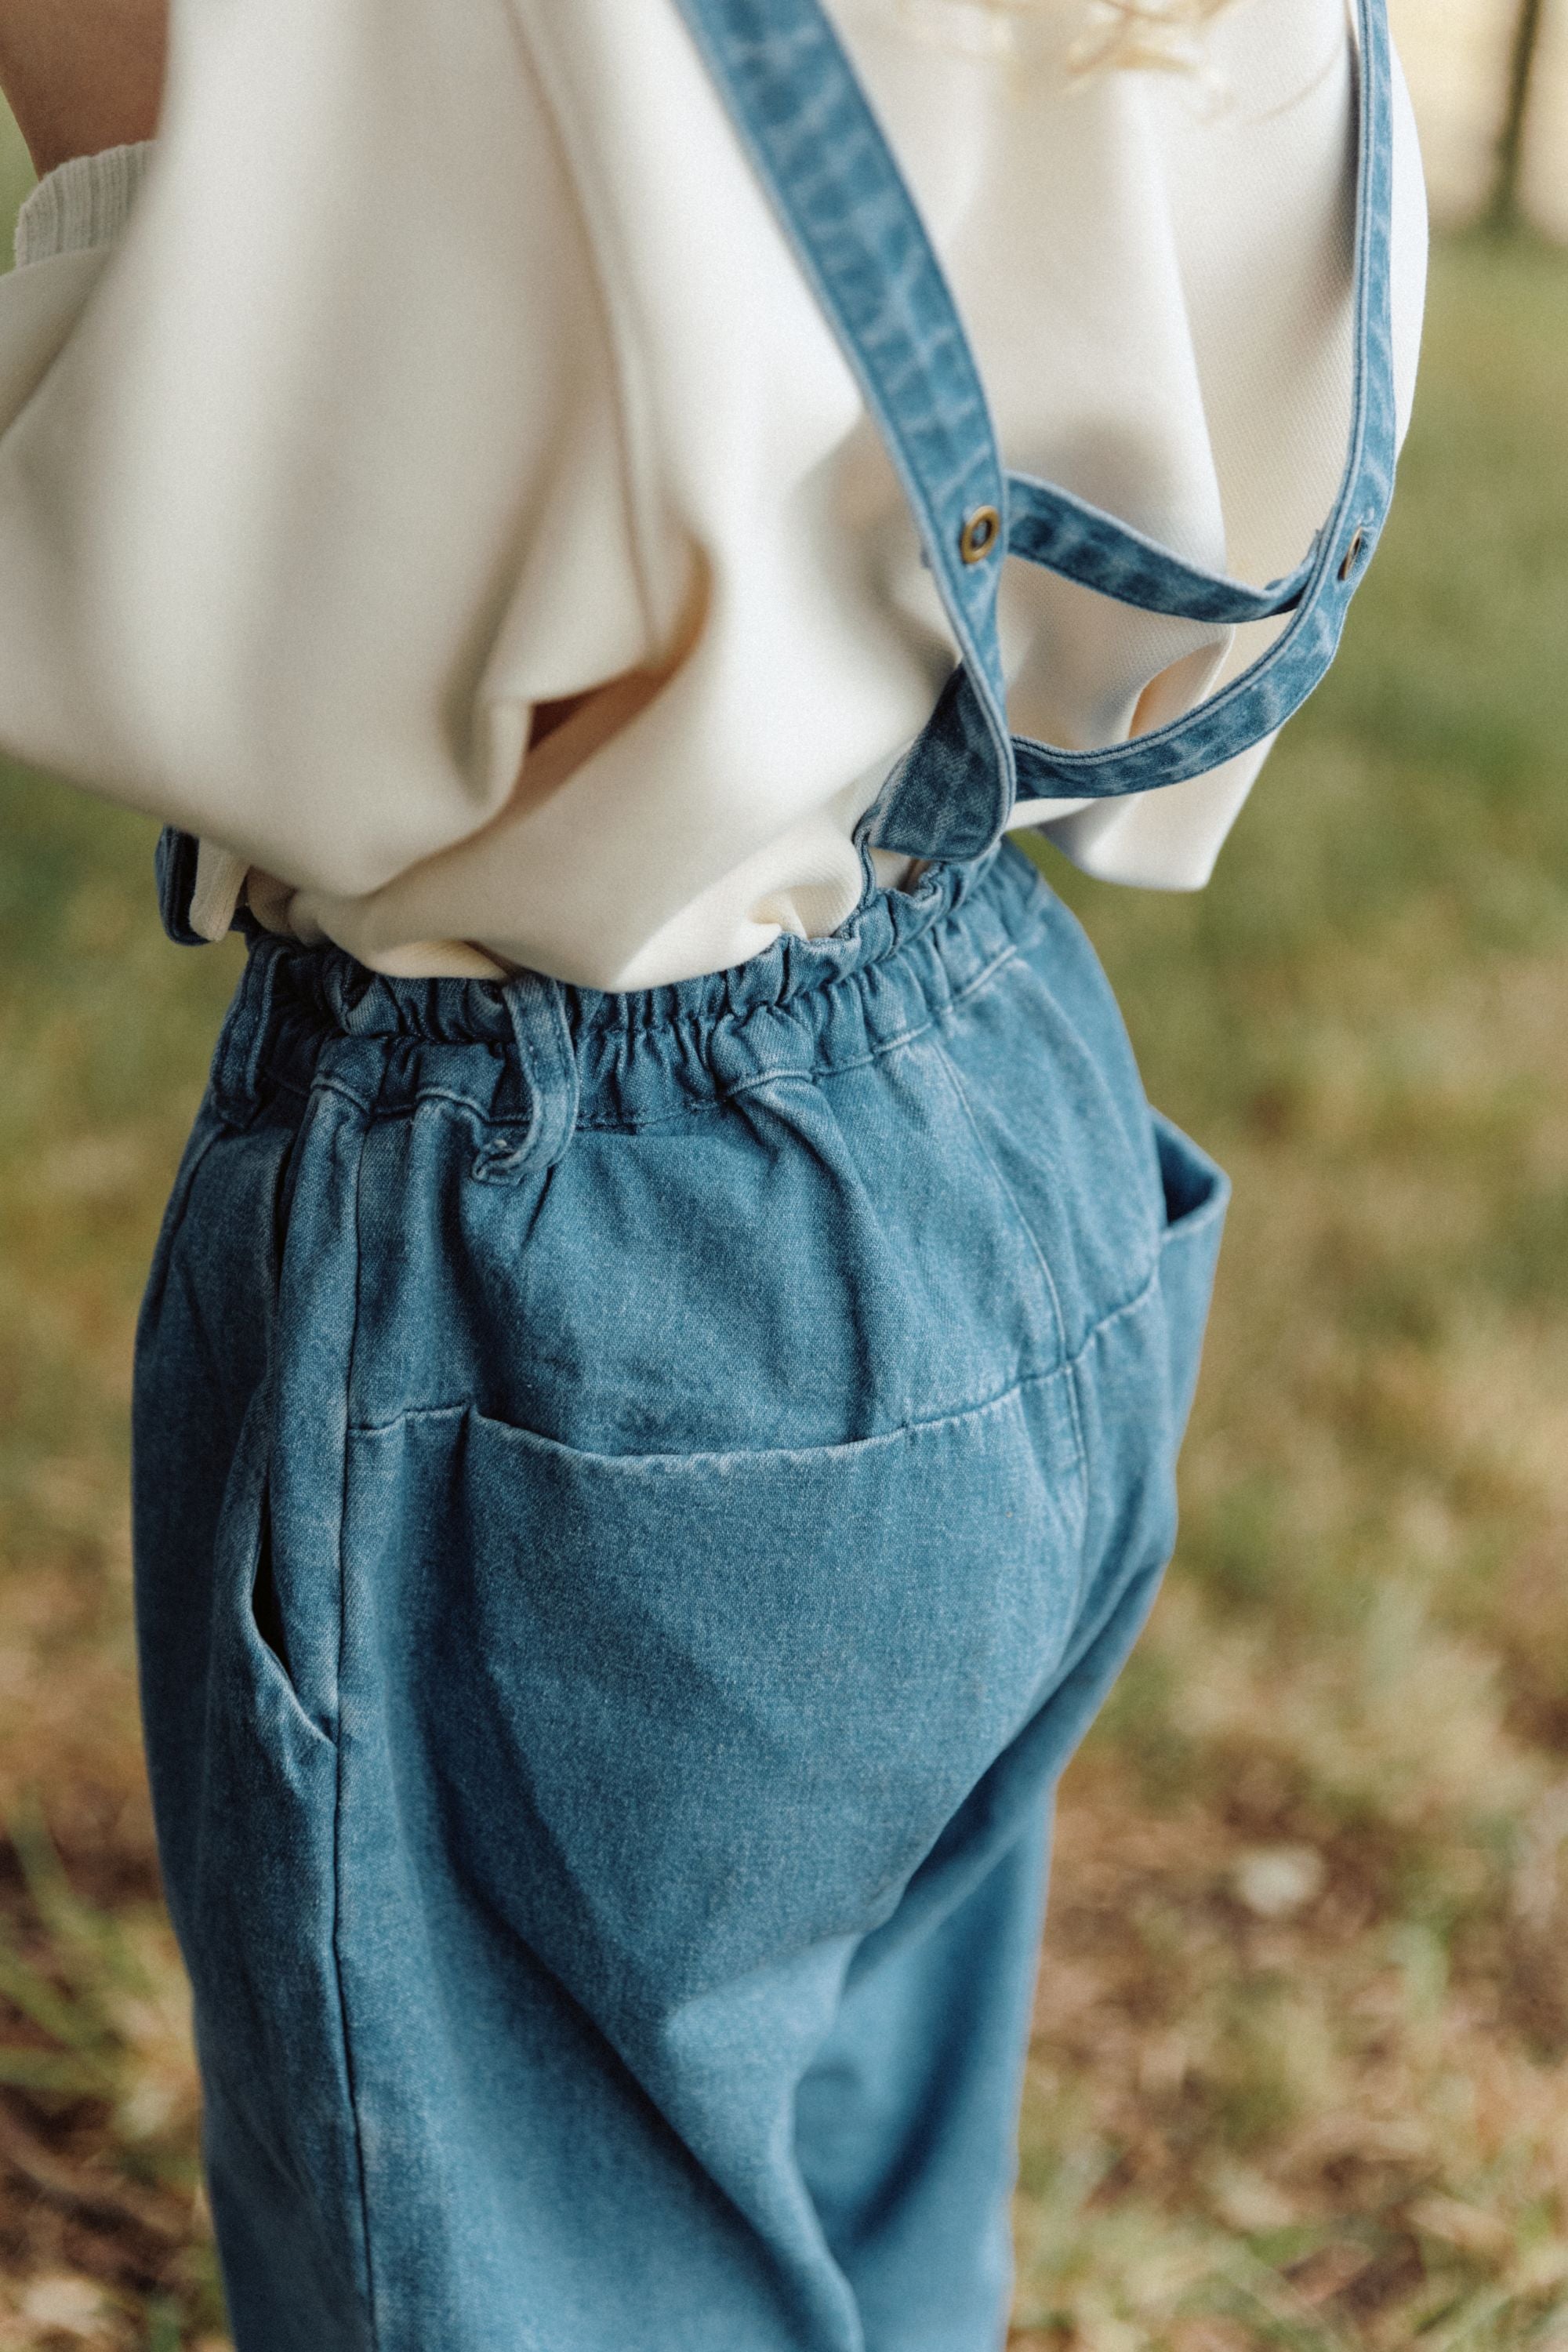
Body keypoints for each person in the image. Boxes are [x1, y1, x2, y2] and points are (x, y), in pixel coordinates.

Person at [0, 0, 1426, 2345]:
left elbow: (279, 478)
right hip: (995, 1064)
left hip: (575, 1247)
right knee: (853, 2149)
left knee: (546, 2268)